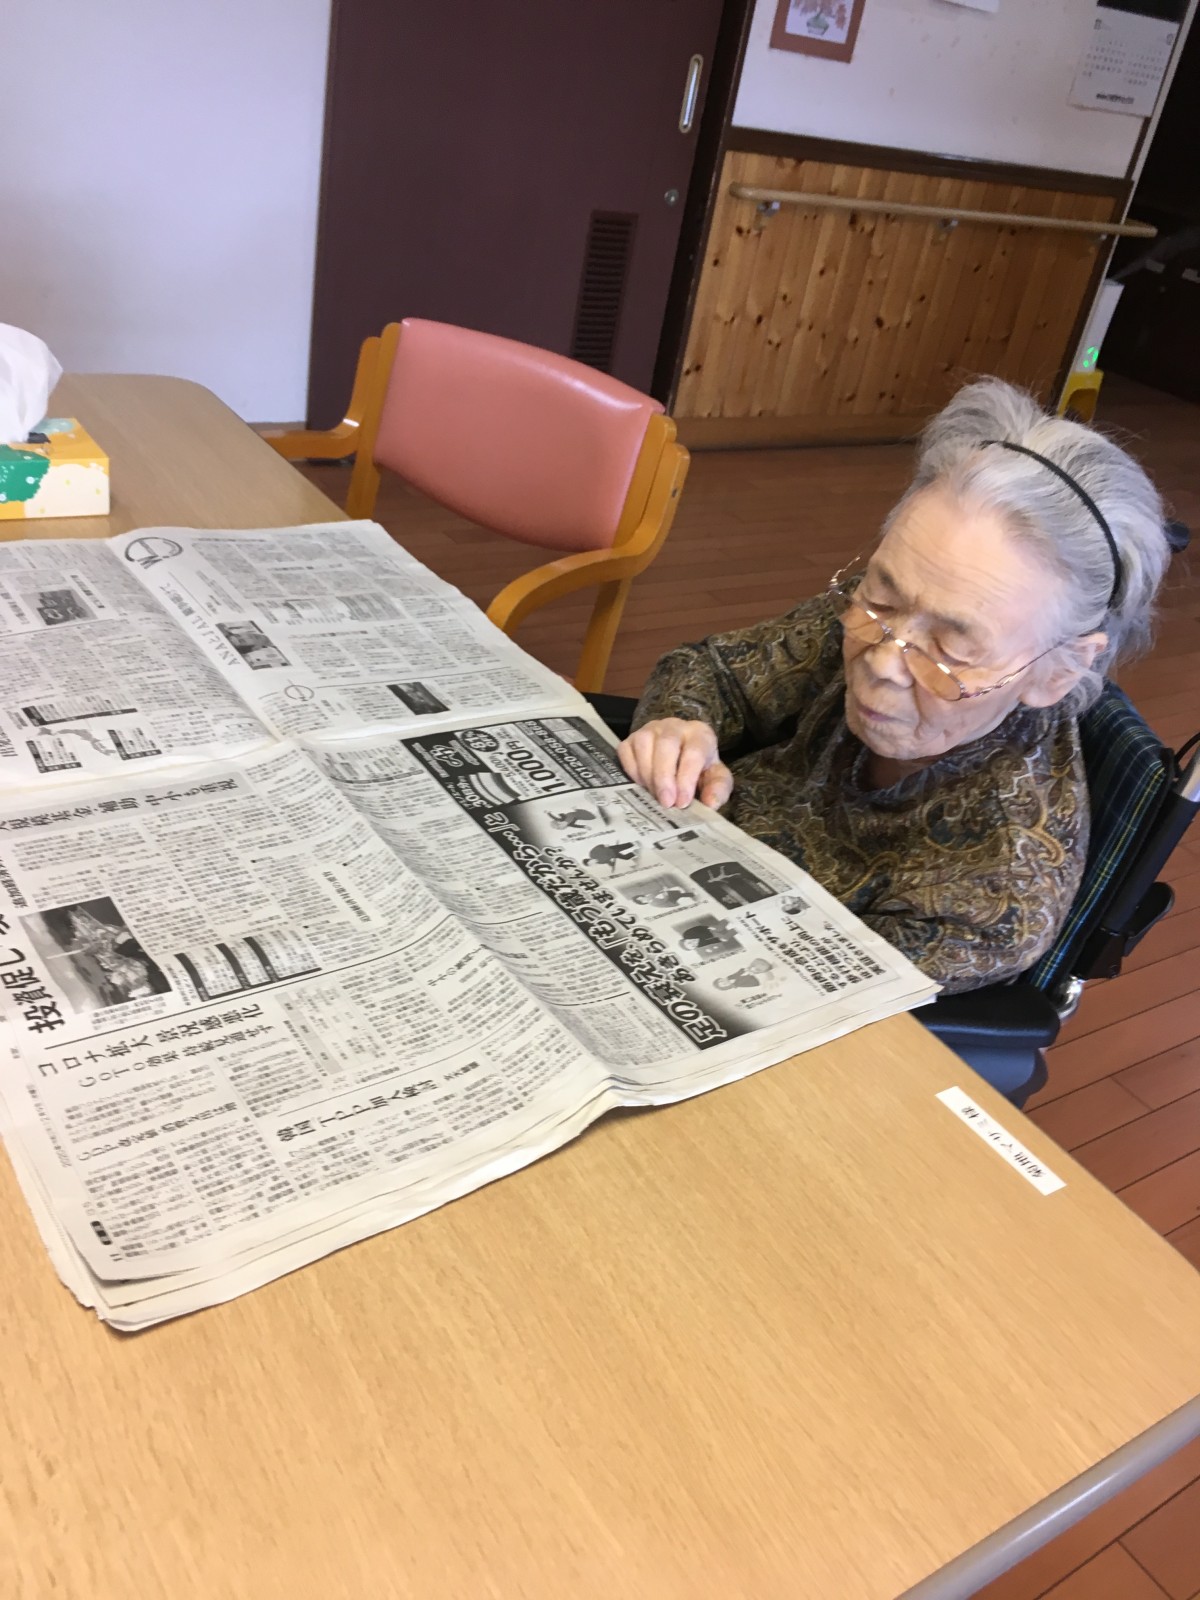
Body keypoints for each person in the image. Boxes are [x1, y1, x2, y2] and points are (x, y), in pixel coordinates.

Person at [618, 379, 1170, 993]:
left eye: (952, 648)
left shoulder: (991, 899)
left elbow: (780, 991)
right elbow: (714, 670)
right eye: (881, 596)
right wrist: (679, 723)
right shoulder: (888, 616)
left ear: (1059, 671)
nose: (883, 660)